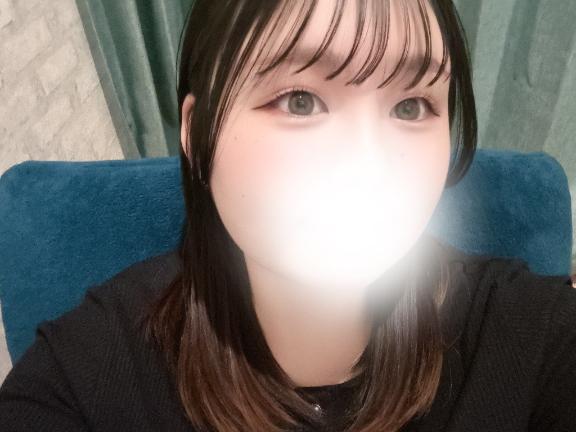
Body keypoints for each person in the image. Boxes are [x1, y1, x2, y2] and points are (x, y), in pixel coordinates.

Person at [1, 1, 575, 431]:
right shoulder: (92, 370)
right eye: (300, 100)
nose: (369, 164)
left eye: (410, 106)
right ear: (196, 135)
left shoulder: (530, 336)